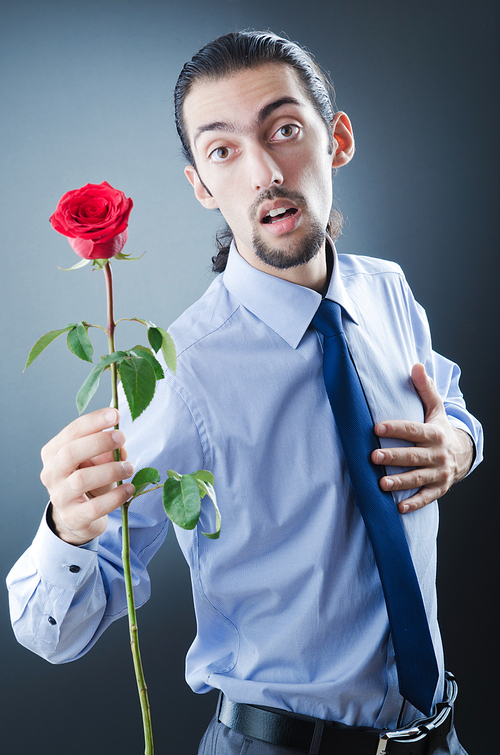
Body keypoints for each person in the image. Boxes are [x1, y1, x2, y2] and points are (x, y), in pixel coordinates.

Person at [7, 31, 483, 755]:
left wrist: (460, 443)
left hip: (438, 736)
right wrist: (64, 529)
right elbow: (53, 633)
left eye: (284, 130)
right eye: (224, 150)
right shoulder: (177, 373)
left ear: (338, 141)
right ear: (201, 184)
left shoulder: (388, 292)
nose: (265, 171)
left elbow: (447, 403)